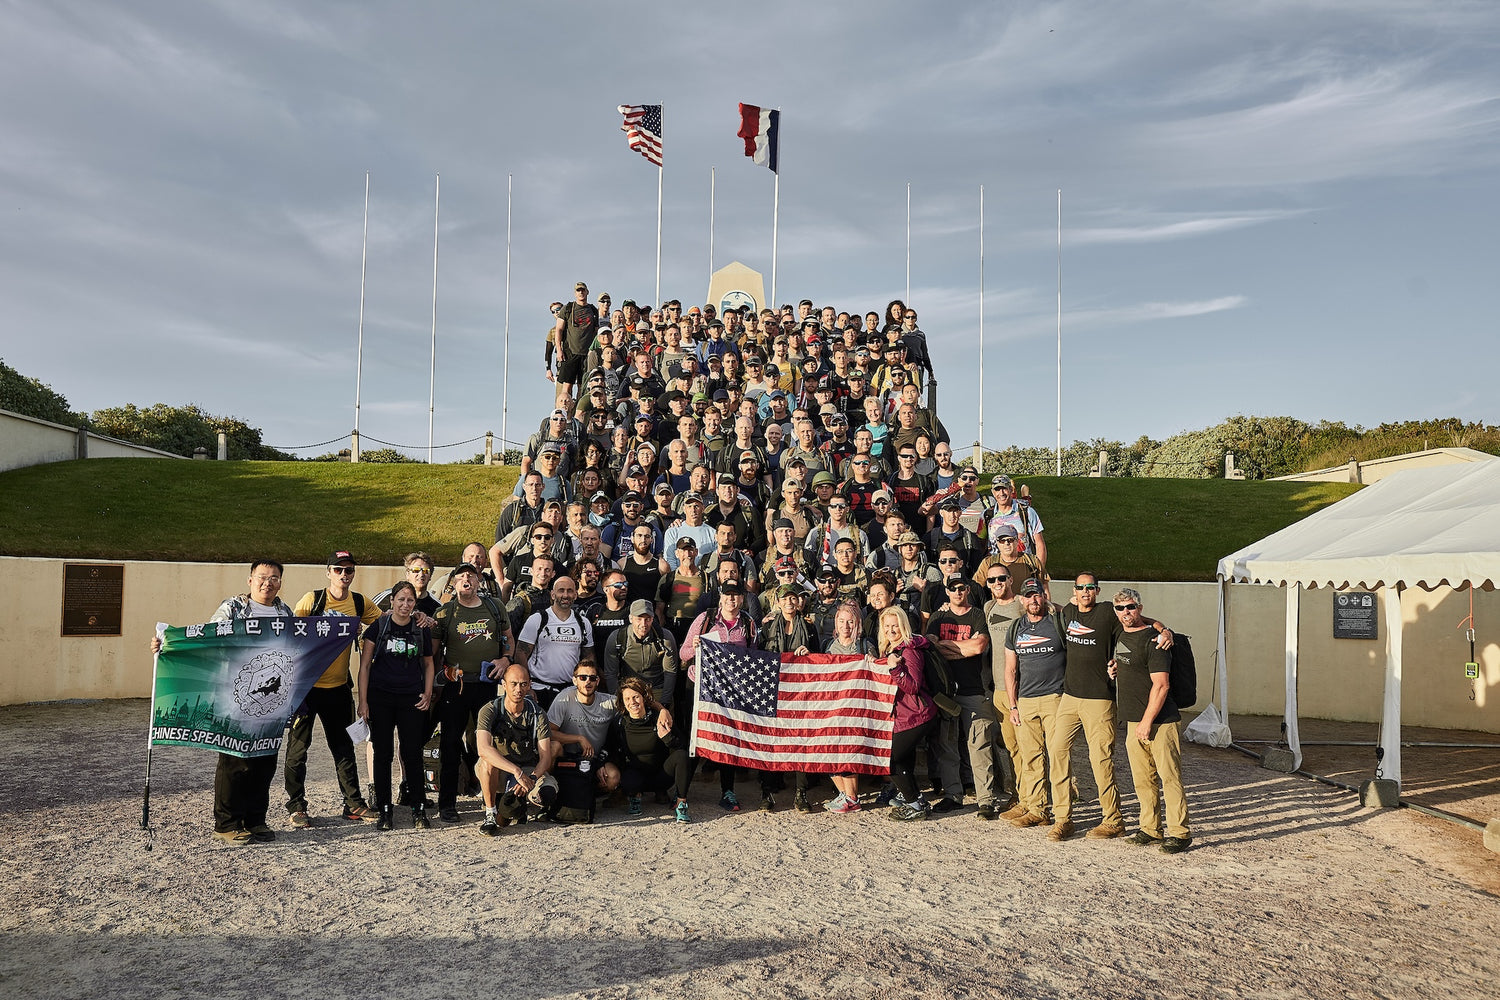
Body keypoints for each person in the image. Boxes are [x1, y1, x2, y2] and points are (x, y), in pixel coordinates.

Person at [151, 559, 292, 844]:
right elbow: (208, 639)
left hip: (271, 701)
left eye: (275, 577)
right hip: (235, 695)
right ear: (250, 580)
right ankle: (227, 823)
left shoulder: (284, 612)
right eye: (262, 577)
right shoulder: (233, 609)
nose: (268, 582)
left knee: (265, 761)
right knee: (236, 760)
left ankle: (255, 820)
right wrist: (167, 643)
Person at [285, 550, 382, 828]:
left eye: (349, 570)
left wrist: (422, 620)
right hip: (307, 687)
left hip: (339, 687)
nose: (344, 575)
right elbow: (291, 635)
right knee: (298, 750)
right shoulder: (312, 600)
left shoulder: (360, 602)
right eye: (338, 570)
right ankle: (297, 806)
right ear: (328, 572)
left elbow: (383, 624)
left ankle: (353, 804)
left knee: (343, 748)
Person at [430, 562, 515, 823]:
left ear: (479, 581)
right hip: (456, 687)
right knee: (450, 743)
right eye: (461, 576)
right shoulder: (445, 613)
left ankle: (494, 801)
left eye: (471, 575)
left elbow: (508, 638)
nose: (467, 579)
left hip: (486, 685)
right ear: (453, 583)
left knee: (490, 743)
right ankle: (447, 804)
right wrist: (434, 684)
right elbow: (433, 653)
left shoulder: (494, 607)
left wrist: (506, 660)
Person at [1112, 588, 1192, 854]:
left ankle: (1179, 833)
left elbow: (1161, 686)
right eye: (1121, 608)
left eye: (1131, 607)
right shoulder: (1122, 634)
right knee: (1142, 779)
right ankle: (1150, 828)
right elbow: (1129, 664)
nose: (1126, 612)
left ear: (1140, 608)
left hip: (1160, 721)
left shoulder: (1156, 641)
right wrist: (1114, 668)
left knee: (1169, 778)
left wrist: (1147, 722)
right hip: (1134, 720)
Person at [356, 580, 435, 831]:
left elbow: (429, 664)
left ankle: (418, 808)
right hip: (381, 698)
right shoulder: (378, 627)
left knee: (412, 754)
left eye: (410, 600)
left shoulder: (420, 628)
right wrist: (363, 702)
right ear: (392, 601)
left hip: (410, 698)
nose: (405, 604)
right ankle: (385, 809)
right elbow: (365, 666)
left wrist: (428, 692)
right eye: (400, 599)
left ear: (415, 604)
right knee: (383, 754)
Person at [924, 574, 997, 819]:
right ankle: (953, 795)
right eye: (952, 588)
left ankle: (985, 800)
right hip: (946, 692)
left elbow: (979, 647)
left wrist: (950, 648)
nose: (957, 592)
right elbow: (931, 646)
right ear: (946, 591)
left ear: (967, 590)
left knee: (979, 745)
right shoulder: (938, 616)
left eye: (961, 588)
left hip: (973, 689)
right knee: (947, 746)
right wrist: (963, 649)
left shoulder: (977, 614)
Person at [1002, 578, 1069, 836]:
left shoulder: (1057, 622)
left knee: (1058, 758)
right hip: (1026, 700)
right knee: (1031, 757)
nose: (1033, 600)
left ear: (1045, 597)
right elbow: (1010, 669)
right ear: (1021, 599)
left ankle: (1063, 815)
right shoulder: (1016, 627)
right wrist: (1013, 705)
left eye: (1037, 595)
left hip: (1055, 697)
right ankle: (1038, 809)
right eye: (1028, 596)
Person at [475, 663, 558, 834]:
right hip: (501, 768)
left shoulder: (537, 713)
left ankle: (520, 808)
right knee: (486, 760)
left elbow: (545, 758)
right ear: (504, 685)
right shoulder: (490, 710)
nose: (518, 689)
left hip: (528, 767)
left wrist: (531, 778)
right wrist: (516, 772)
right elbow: (483, 749)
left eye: (523, 684)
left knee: (547, 794)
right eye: (513, 684)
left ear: (529, 685)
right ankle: (490, 814)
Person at [876, 606, 939, 821]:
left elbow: (912, 686)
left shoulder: (909, 651)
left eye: (895, 625)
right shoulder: (891, 649)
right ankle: (917, 800)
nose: (891, 630)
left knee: (890, 759)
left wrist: (896, 668)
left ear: (903, 626)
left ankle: (914, 803)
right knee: (902, 759)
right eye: (887, 626)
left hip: (917, 714)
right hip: (904, 716)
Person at [609, 677, 693, 822]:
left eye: (636, 697)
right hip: (636, 776)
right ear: (622, 701)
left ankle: (681, 804)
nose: (632, 702)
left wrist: (667, 738)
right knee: (629, 779)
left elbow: (683, 747)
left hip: (662, 775)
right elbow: (611, 750)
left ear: (643, 698)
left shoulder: (659, 717)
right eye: (627, 698)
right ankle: (635, 796)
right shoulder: (619, 723)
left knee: (681, 756)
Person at [822, 601, 875, 814]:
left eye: (850, 621)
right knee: (828, 752)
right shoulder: (828, 645)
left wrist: (872, 662)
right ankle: (844, 794)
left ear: (858, 623)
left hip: (856, 709)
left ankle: (852, 797)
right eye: (842, 621)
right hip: (833, 708)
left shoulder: (865, 645)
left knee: (848, 752)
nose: (846, 626)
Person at [514, 575, 595, 709]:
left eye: (570, 591)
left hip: (570, 690)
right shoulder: (538, 619)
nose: (565, 595)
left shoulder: (583, 623)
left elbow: (589, 657)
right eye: (561, 590)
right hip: (539, 689)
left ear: (575, 595)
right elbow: (520, 654)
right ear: (552, 594)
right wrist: (527, 687)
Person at [602, 600, 681, 709]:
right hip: (629, 689)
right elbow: (611, 673)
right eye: (639, 619)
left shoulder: (665, 638)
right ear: (630, 619)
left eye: (647, 619)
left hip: (656, 688)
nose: (643, 624)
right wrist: (618, 699)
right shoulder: (617, 638)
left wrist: (665, 702)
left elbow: (670, 672)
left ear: (652, 619)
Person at [550, 281, 599, 412]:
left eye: (583, 290)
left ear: (587, 292)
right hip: (570, 352)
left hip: (586, 354)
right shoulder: (568, 308)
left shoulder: (593, 310)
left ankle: (578, 414)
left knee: (583, 387)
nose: (581, 292)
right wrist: (559, 350)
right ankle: (563, 413)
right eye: (578, 290)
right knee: (567, 387)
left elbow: (596, 332)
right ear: (575, 293)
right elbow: (559, 329)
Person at [987, 476, 1047, 570]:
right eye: (997, 489)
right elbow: (982, 545)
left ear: (1011, 489)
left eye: (1004, 488)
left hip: (1025, 568)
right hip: (998, 573)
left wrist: (1040, 571)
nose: (1001, 493)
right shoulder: (987, 515)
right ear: (993, 492)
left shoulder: (1027, 512)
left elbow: (1040, 544)